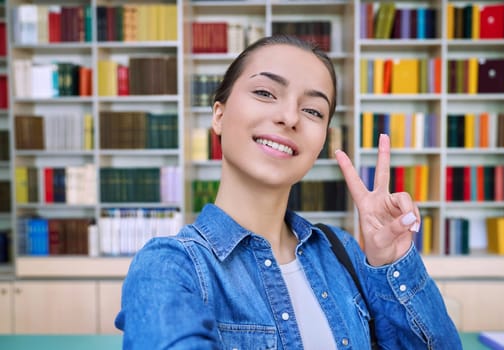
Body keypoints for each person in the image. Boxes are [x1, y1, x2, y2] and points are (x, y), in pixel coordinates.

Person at [115, 34, 462, 349]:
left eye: (313, 110)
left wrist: (391, 262)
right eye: (265, 93)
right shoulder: (168, 266)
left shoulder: (344, 253)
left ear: (322, 138)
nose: (289, 117)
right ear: (218, 115)